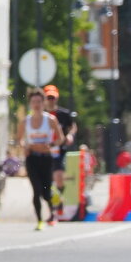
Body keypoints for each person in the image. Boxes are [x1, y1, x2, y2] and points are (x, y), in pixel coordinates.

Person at [19, 89, 64, 230]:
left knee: (46, 191)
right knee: (36, 189)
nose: (36, 104)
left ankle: (52, 212)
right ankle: (39, 220)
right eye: (33, 102)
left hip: (46, 157)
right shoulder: (25, 121)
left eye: (39, 101)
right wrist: (24, 146)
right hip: (32, 158)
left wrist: (50, 144)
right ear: (30, 104)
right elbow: (19, 140)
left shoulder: (50, 120)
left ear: (43, 102)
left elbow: (60, 138)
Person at [42, 84, 77, 212]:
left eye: (53, 98)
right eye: (48, 98)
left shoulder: (63, 114)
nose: (51, 100)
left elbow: (72, 126)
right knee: (46, 178)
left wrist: (70, 135)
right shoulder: (40, 115)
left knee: (58, 175)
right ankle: (51, 202)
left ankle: (60, 197)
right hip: (43, 150)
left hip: (59, 149)